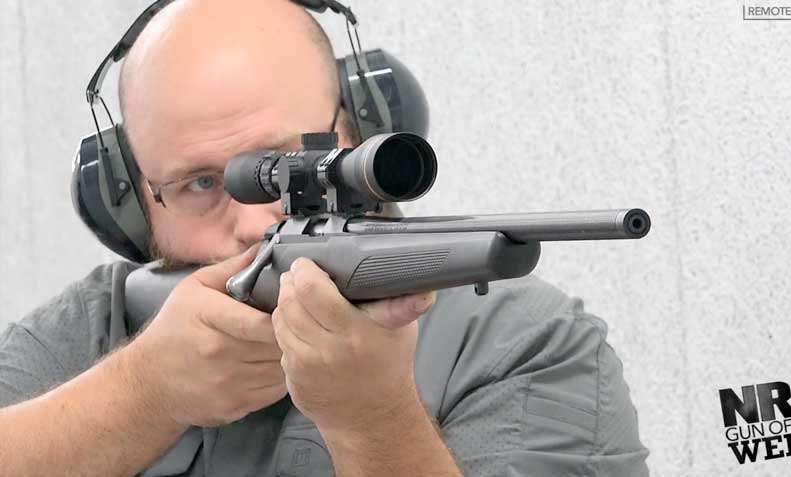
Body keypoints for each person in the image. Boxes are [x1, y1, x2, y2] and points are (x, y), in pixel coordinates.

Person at [0, 0, 650, 475]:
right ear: (134, 204)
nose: (256, 220)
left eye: (287, 160)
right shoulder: (84, 338)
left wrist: (374, 420)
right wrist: (143, 394)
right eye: (201, 183)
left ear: (362, 131)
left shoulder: (524, 343)